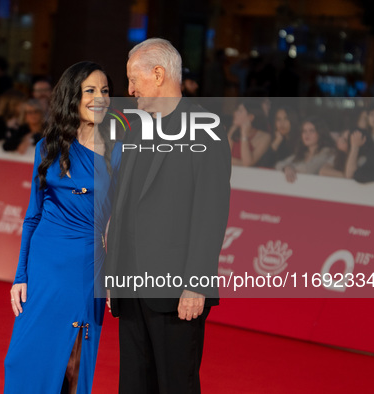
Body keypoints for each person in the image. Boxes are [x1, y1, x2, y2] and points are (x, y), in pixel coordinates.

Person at [105, 38, 231, 393]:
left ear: (158, 74)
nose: (129, 90)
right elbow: (124, 204)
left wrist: (197, 283)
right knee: (133, 384)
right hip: (130, 287)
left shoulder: (205, 127)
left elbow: (211, 211)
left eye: (133, 79)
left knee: (177, 384)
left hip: (175, 292)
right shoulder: (136, 127)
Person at [4, 61, 121, 394]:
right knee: (20, 359)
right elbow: (33, 215)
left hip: (86, 264)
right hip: (44, 264)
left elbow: (121, 223)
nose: (99, 98)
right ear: (73, 96)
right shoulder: (48, 147)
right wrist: (21, 275)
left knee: (73, 363)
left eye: (105, 91)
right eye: (90, 91)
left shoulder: (120, 152)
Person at [276, 117, 336, 183]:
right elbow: (278, 164)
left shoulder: (327, 152)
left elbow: (309, 169)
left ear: (320, 133)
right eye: (304, 131)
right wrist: (286, 167)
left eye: (311, 131)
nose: (307, 135)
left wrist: (291, 168)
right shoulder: (302, 153)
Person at [227, 99, 272, 167]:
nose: (235, 113)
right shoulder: (233, 130)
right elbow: (224, 157)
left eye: (240, 111)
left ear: (250, 117)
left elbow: (247, 163)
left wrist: (244, 135)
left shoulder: (265, 137)